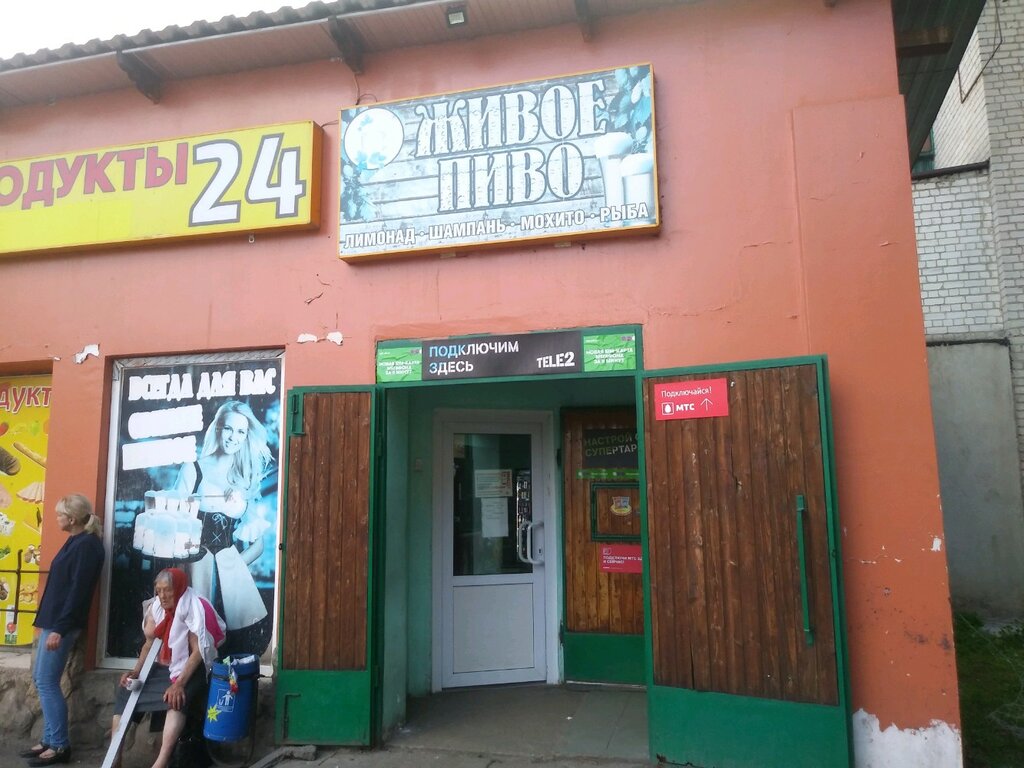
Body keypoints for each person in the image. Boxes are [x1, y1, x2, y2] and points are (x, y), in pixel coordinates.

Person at [173, 400, 272, 655]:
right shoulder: (193, 468)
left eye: (240, 431)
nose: (233, 437)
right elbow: (176, 529)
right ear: (218, 428)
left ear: (246, 436)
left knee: (235, 648)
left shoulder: (245, 478)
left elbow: (258, 545)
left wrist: (233, 567)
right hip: (196, 569)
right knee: (196, 639)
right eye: (228, 428)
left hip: (232, 578)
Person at [110, 568, 225, 768]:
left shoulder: (193, 607)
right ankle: (115, 758)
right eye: (159, 590)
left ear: (178, 588)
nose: (162, 596)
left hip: (191, 668)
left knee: (176, 699)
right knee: (126, 691)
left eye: (167, 590)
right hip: (164, 667)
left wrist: (179, 684)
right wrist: (136, 671)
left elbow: (198, 652)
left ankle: (161, 762)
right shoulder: (156, 608)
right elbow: (149, 644)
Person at [21, 493, 104, 767]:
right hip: (54, 622)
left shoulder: (87, 545)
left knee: (47, 682)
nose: (56, 518)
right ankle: (49, 739)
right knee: (41, 679)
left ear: (72, 518)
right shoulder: (76, 541)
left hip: (61, 624)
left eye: (60, 514)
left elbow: (78, 592)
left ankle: (59, 745)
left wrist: (60, 628)